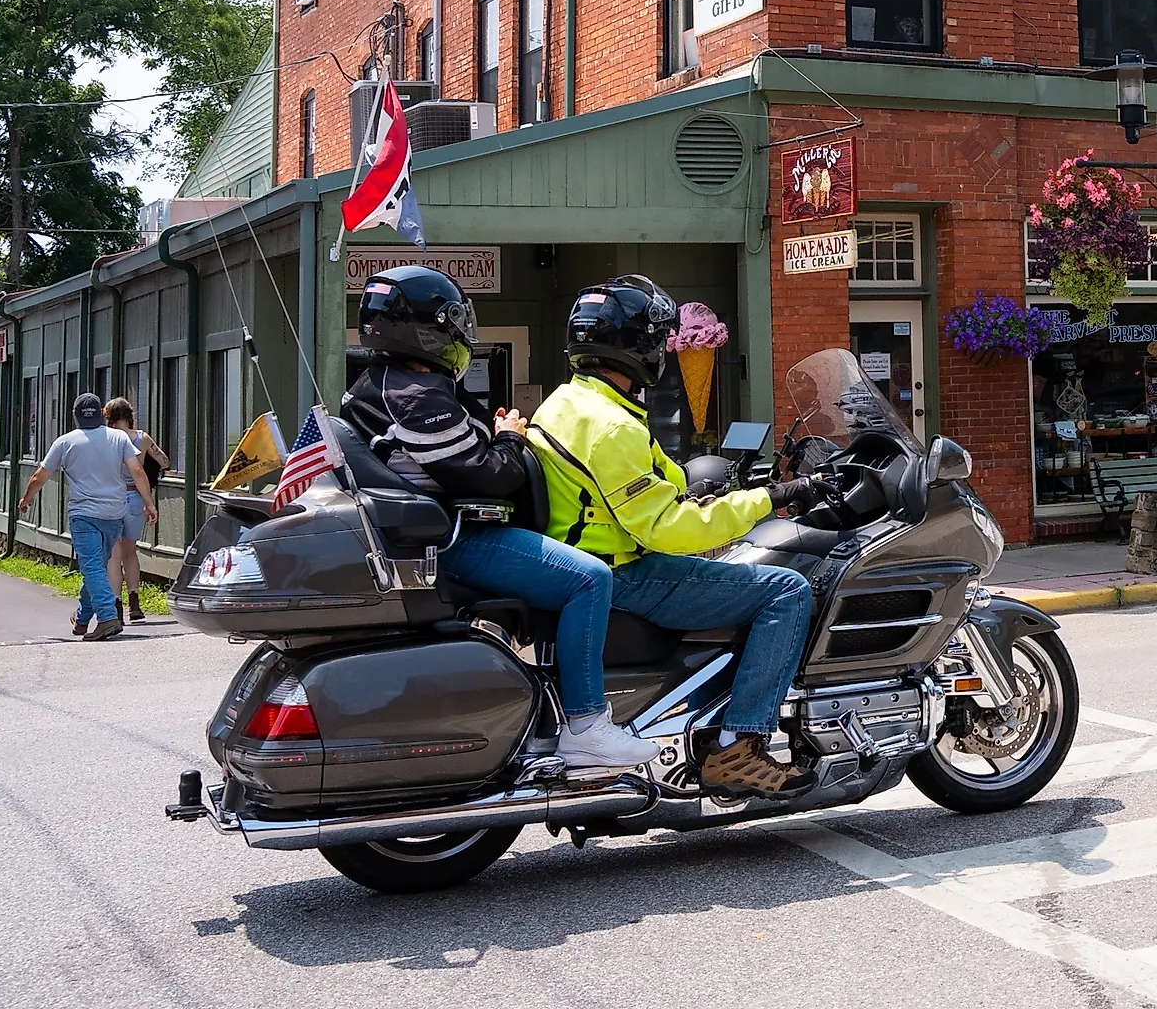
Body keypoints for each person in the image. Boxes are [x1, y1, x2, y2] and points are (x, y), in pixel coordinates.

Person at [342, 266, 656, 772]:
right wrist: (510, 433)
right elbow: (488, 476)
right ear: (432, 328)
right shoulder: (418, 396)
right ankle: (587, 726)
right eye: (455, 321)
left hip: (432, 533)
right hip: (458, 540)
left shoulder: (377, 383)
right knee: (590, 577)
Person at [529, 275, 832, 800]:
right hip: (627, 572)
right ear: (639, 346)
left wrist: (700, 483)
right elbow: (668, 530)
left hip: (580, 560)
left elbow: (637, 484)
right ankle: (739, 744)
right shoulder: (613, 427)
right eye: (659, 339)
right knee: (786, 590)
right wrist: (774, 497)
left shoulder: (565, 403)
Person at [18, 394, 153, 641]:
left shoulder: (65, 442)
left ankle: (107, 617)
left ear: (74, 414)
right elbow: (137, 471)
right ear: (101, 414)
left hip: (84, 514)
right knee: (97, 567)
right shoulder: (119, 437)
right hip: (115, 512)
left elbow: (40, 475)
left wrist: (27, 499)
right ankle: (81, 619)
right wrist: (148, 503)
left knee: (91, 566)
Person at [103, 396, 169, 622]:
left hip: (112, 497)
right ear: (130, 416)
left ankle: (116, 606)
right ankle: (135, 602)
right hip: (135, 497)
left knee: (114, 554)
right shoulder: (142, 438)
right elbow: (165, 461)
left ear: (109, 418)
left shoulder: (106, 438)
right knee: (130, 552)